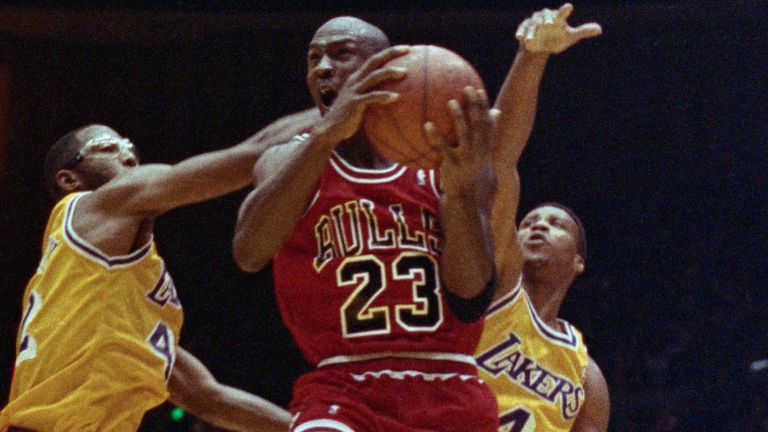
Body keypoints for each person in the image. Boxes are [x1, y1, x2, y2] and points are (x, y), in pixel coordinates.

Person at [233, 16, 500, 432]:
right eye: (313, 59)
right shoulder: (286, 159)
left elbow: (470, 296)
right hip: (343, 389)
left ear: (389, 71)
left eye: (341, 55)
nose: (322, 68)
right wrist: (325, 137)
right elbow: (249, 253)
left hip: (449, 384)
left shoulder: (445, 163)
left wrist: (463, 193)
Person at [0, 108, 318, 432]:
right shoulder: (89, 207)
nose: (128, 155)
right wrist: (337, 110)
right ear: (70, 179)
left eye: (130, 147)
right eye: (108, 147)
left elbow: (207, 397)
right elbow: (251, 153)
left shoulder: (105, 293)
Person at [473, 4, 610, 432]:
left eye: (556, 224)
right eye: (530, 219)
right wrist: (533, 57)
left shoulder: (586, 373)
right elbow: (499, 162)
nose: (537, 224)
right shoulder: (500, 286)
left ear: (578, 261)